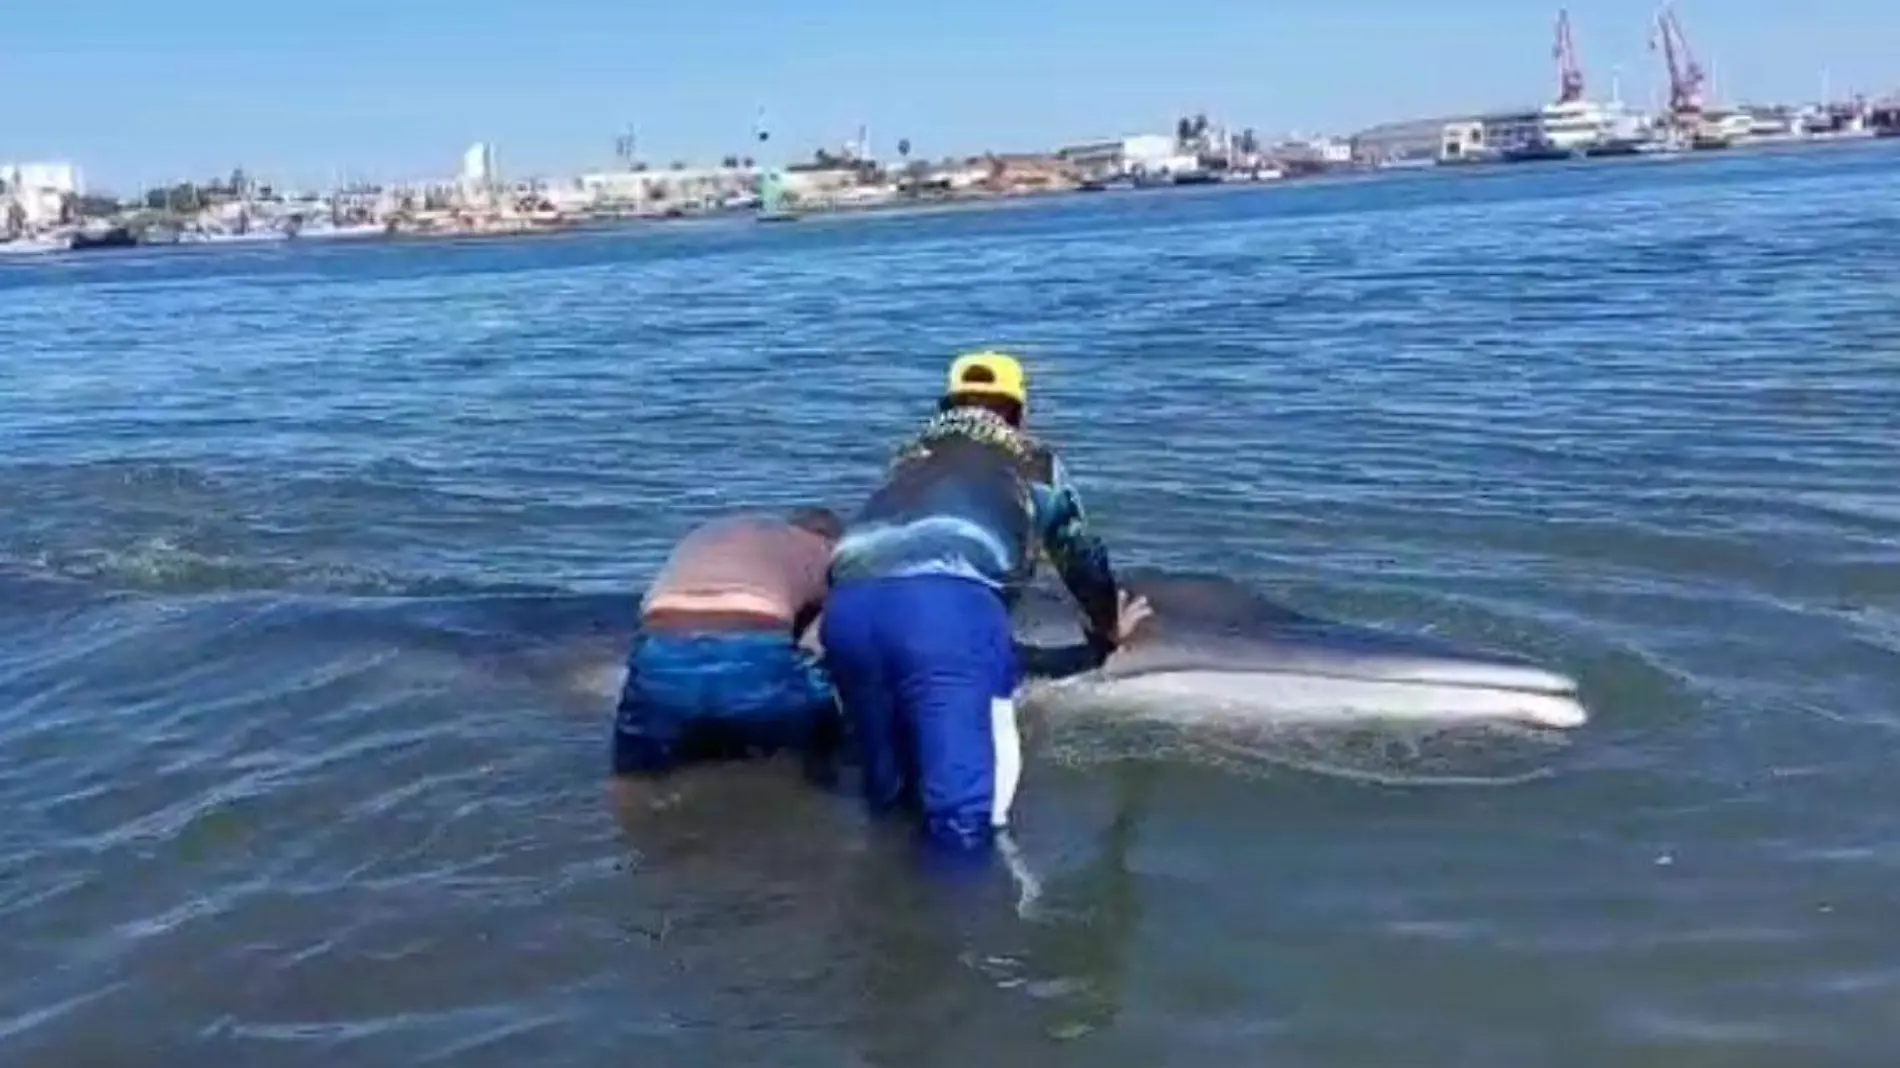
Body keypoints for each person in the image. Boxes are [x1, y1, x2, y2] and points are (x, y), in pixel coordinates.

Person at [820, 350, 1146, 852]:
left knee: (888, 799)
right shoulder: (1031, 462)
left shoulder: (907, 459)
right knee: (965, 819)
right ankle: (971, 927)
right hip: (944, 612)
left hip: (848, 610)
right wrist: (1108, 622)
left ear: (946, 405)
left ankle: (879, 917)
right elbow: (1078, 551)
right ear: (1017, 411)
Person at [611, 506, 845, 781]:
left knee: (639, 770)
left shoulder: (717, 533)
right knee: (816, 735)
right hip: (753, 642)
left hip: (661, 643)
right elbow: (821, 638)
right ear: (829, 539)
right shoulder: (819, 550)